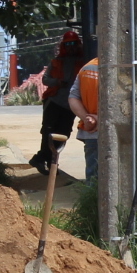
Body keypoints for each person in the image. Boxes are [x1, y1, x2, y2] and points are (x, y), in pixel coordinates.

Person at [29, 30, 86, 176]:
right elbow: (45, 79)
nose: (71, 47)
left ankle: (48, 160)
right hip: (53, 101)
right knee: (48, 131)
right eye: (68, 44)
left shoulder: (83, 63)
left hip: (70, 105)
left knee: (63, 133)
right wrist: (58, 82)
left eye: (74, 44)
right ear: (63, 46)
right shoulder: (56, 62)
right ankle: (44, 159)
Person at [67, 57, 99, 180]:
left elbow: (73, 97)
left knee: (93, 178)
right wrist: (98, 119)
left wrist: (86, 118)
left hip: (92, 132)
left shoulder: (87, 68)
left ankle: (92, 199)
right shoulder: (124, 69)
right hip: (119, 133)